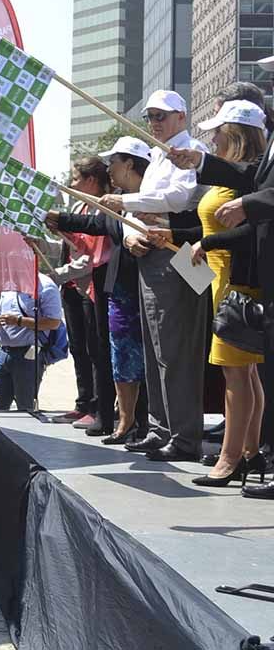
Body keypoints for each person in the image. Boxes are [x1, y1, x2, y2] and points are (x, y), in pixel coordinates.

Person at [97, 90, 210, 462]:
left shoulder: (189, 150)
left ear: (181, 116)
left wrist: (126, 203)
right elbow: (141, 216)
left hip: (177, 257)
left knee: (175, 350)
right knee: (154, 347)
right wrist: (130, 234)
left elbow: (179, 199)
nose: (155, 123)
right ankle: (161, 427)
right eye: (150, 117)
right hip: (152, 257)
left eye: (162, 116)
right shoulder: (159, 156)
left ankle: (182, 434)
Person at [167, 99, 274, 489]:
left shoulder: (246, 177)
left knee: (237, 373)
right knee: (246, 374)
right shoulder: (249, 169)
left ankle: (232, 459)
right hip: (221, 278)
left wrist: (210, 241)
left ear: (233, 133)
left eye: (217, 131)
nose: (212, 137)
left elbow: (248, 224)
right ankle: (248, 453)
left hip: (238, 280)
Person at [49, 137, 153, 444]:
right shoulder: (115, 203)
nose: (111, 169)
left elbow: (102, 242)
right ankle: (123, 420)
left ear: (130, 164)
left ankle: (145, 423)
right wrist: (58, 219)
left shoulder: (151, 198)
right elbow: (96, 227)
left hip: (143, 288)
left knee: (144, 358)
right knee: (115, 353)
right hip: (117, 289)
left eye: (115, 162)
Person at [52, 157, 113, 434]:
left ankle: (100, 407)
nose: (72, 184)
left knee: (96, 348)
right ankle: (84, 400)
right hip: (73, 286)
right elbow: (76, 243)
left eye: (76, 179)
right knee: (78, 347)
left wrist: (57, 275)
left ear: (91, 181)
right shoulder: (78, 205)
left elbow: (90, 257)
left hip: (91, 286)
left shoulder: (105, 208)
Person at [0, 273, 63, 412]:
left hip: (28, 354)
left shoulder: (46, 287)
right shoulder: (8, 285)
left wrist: (19, 321)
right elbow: (4, 317)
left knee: (25, 408)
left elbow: (54, 322)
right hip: (3, 352)